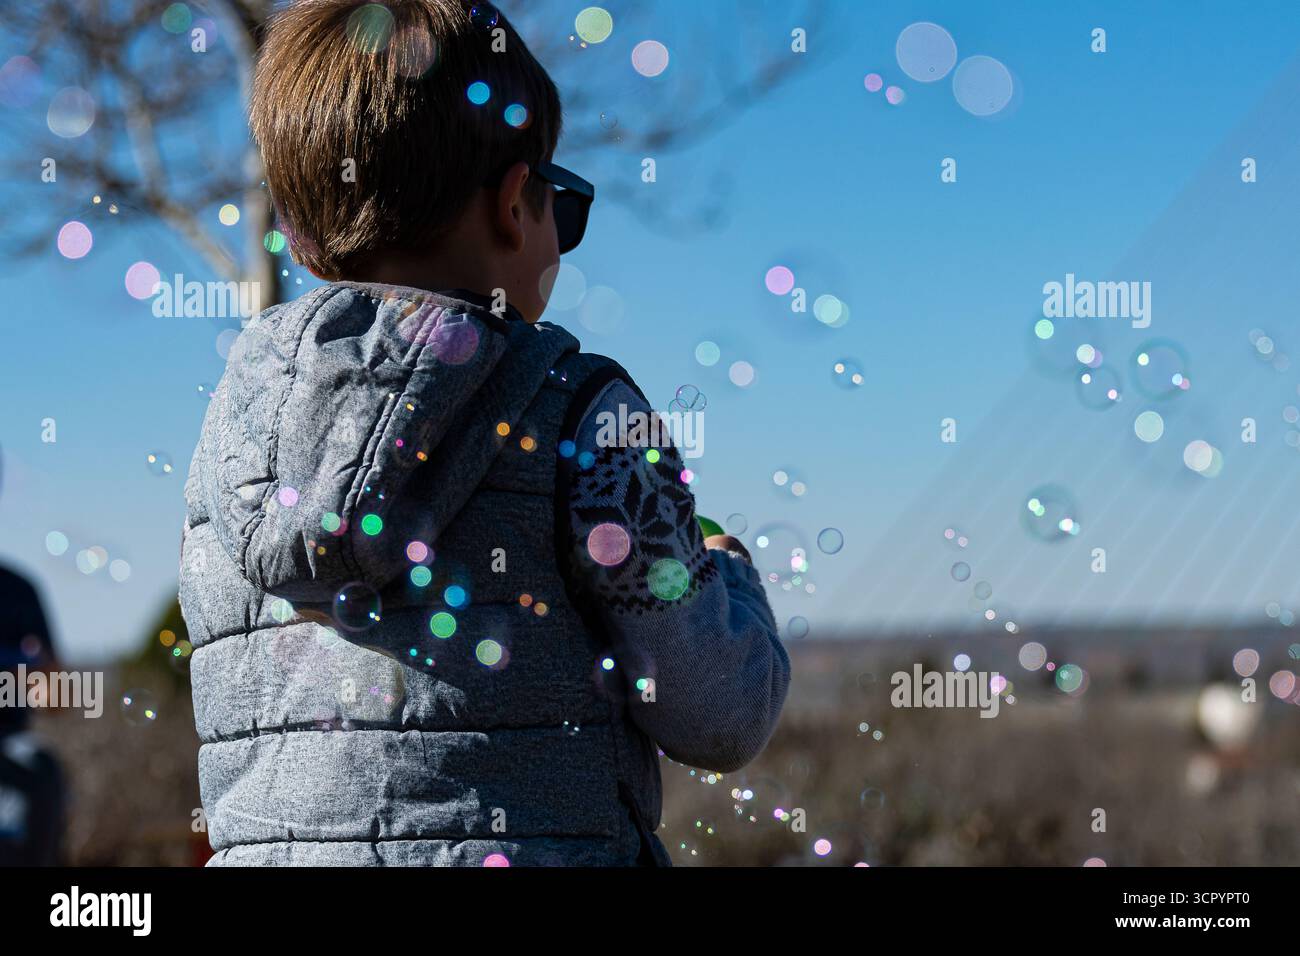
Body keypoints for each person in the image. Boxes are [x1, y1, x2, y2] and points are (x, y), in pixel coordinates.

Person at [179, 0, 789, 866]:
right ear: (514, 204)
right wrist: (727, 577)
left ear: (305, 242)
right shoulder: (586, 413)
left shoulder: (231, 429)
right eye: (561, 204)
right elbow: (718, 716)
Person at [0, 448, 65, 866]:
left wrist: (37, 675)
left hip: (9, 749)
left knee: (43, 773)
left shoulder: (20, 591)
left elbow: (57, 699)